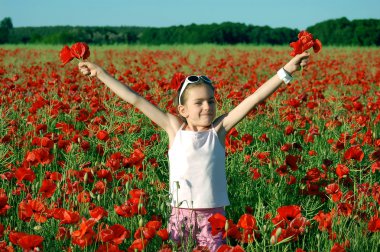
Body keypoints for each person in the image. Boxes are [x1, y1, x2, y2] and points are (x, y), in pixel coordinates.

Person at [78, 51, 309, 251]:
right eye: (199, 102)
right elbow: (136, 100)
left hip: (213, 215)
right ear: (183, 109)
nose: (207, 107)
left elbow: (255, 98)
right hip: (181, 215)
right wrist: (99, 73)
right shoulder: (174, 128)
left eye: (211, 101)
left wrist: (287, 70)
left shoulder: (218, 130)